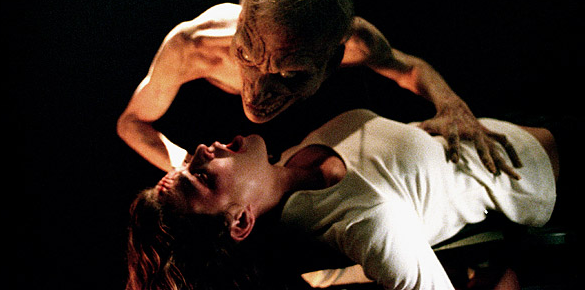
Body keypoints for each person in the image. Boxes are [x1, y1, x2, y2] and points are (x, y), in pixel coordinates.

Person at [117, 0, 521, 178]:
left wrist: (452, 106)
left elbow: (410, 69)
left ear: (333, 58)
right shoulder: (194, 45)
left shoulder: (353, 41)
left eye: (287, 72)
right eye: (248, 55)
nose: (257, 90)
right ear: (242, 23)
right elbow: (131, 122)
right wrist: (189, 168)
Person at [125, 109, 559, 290]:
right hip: (554, 177)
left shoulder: (293, 162)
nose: (201, 151)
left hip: (526, 128)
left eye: (188, 164)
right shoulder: (362, 222)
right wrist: (501, 276)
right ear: (241, 221)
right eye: (201, 176)